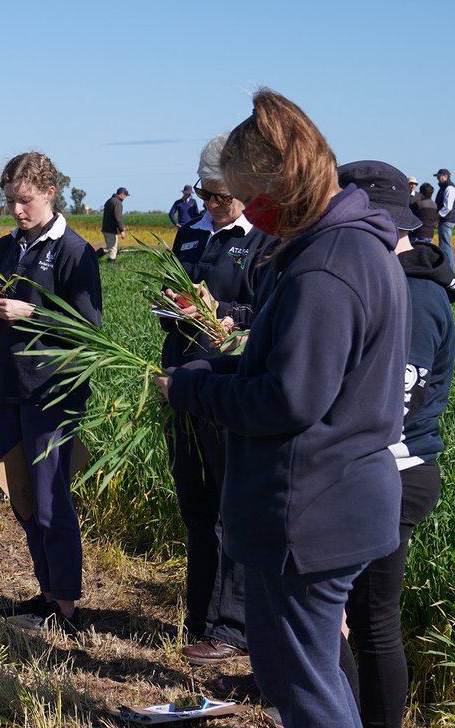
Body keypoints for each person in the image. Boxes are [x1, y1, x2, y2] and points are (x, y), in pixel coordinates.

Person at [157, 89, 407, 728]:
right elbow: (297, 368)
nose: (250, 210)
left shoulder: (326, 265)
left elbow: (289, 399)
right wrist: (214, 366)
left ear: (281, 181)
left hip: (311, 508)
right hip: (331, 500)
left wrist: (192, 390)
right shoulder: (347, 248)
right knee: (306, 670)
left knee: (300, 683)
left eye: (249, 193)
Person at [338, 161, 453, 728]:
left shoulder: (414, 294)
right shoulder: (390, 280)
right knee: (348, 613)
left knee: (372, 618)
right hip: (378, 469)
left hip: (392, 471)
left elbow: (392, 400)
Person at [0, 152, 101, 632]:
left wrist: (31, 315)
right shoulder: (6, 248)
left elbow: (89, 330)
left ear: (49, 192)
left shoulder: (74, 252)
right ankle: (46, 594)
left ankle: (66, 606)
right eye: (10, 202)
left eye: (24, 201)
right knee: (23, 498)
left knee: (50, 502)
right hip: (6, 386)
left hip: (52, 393)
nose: (16, 211)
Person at [162, 135, 277, 664]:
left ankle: (230, 627)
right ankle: (196, 615)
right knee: (196, 506)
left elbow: (268, 313)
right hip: (180, 382)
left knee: (230, 507)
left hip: (229, 388)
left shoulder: (264, 243)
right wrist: (173, 307)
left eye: (220, 197)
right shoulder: (188, 237)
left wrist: (222, 310)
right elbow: (165, 299)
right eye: (205, 195)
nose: (211, 205)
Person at [100, 187, 128, 261]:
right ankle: (110, 263)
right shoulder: (117, 203)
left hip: (105, 228)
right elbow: (118, 217)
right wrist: (122, 230)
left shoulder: (109, 201)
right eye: (125, 196)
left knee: (109, 247)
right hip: (110, 230)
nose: (125, 198)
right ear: (121, 195)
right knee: (113, 248)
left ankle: (93, 257)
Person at [435, 169, 455, 269]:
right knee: (444, 245)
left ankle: (449, 269)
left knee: (445, 246)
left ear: (445, 176)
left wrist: (437, 215)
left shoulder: (449, 188)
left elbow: (448, 207)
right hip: (446, 220)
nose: (437, 179)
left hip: (447, 220)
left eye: (439, 177)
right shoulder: (446, 187)